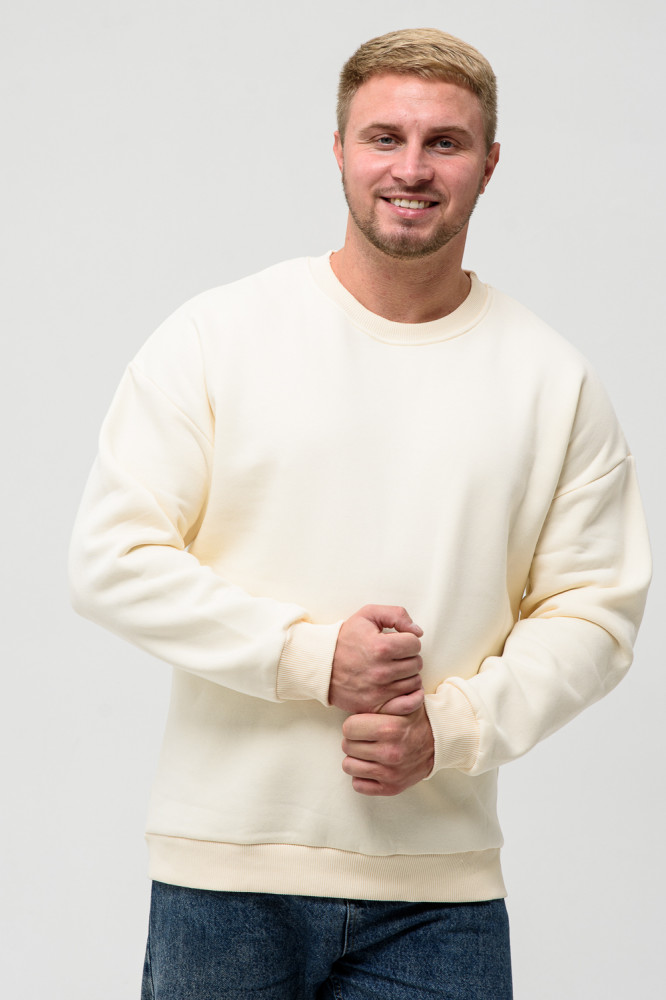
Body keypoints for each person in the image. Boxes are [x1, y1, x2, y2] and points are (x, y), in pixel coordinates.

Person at [69, 27, 651, 1000]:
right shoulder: (218, 338)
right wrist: (312, 658)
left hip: (439, 894)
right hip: (226, 874)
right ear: (338, 149)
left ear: (489, 163)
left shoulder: (553, 381)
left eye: (444, 142)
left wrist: (450, 728)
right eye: (385, 137)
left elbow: (597, 614)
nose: (411, 168)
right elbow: (110, 560)